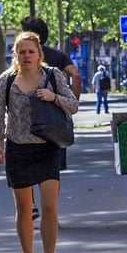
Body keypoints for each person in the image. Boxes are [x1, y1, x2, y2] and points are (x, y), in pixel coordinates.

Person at [0, 31, 79, 253]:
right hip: (18, 147)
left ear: (39, 54)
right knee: (24, 209)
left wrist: (53, 97)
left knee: (49, 206)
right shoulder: (6, 80)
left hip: (47, 147)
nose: (26, 56)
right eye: (21, 51)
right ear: (15, 55)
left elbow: (73, 104)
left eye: (31, 51)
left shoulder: (53, 76)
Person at [21, 16, 82, 221]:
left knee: (26, 163)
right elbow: (76, 74)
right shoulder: (58, 56)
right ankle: (50, 211)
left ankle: (32, 206)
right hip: (54, 120)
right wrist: (70, 101)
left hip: (28, 120)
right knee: (51, 167)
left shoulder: (23, 56)